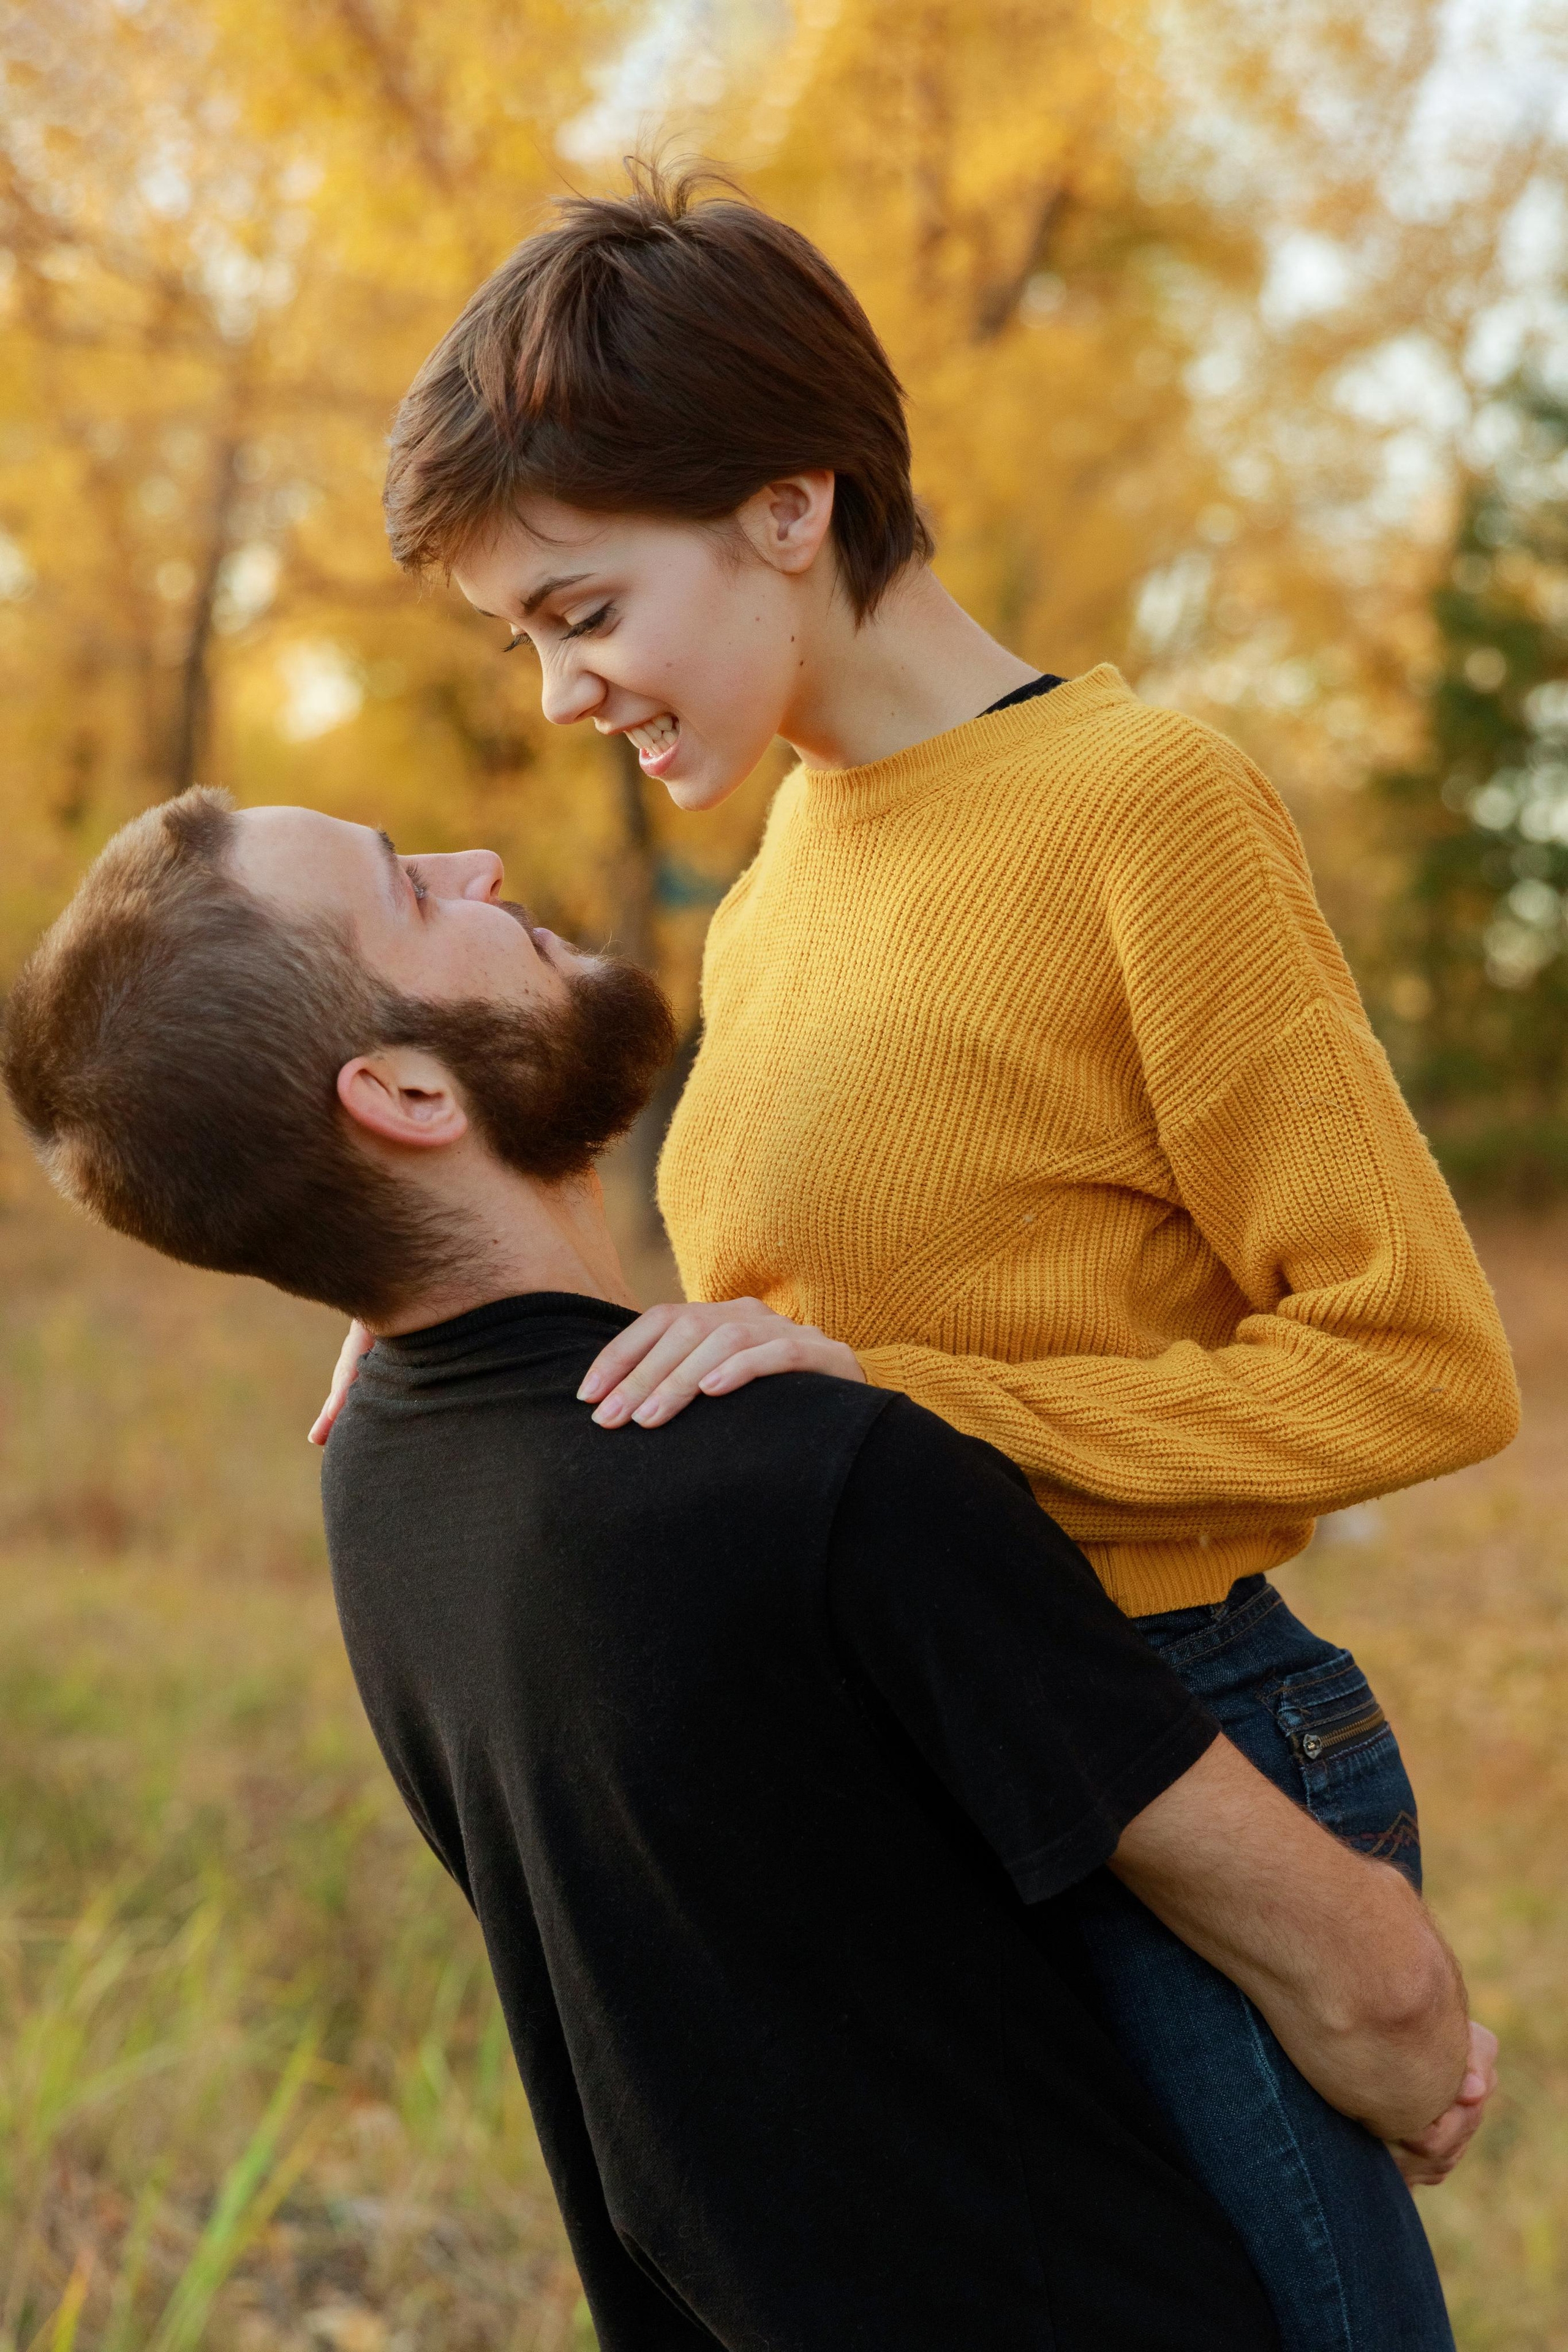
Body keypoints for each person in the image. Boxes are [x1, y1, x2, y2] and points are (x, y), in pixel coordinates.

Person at [330, 160, 1524, 2347]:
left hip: (1187, 1731)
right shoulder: (778, 873)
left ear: (791, 504)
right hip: (923, 1755)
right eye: (524, 641)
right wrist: (450, 1332)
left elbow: (1420, 1361)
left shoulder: (1143, 806)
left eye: (584, 612)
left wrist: (924, 1410)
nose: (557, 694)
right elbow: (781, 1354)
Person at [4, 790, 1494, 2351]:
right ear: (399, 1092)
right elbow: (1378, 2004)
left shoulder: (383, 1472)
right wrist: (1423, 2040)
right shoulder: (814, 1478)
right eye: (410, 890)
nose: (478, 866)